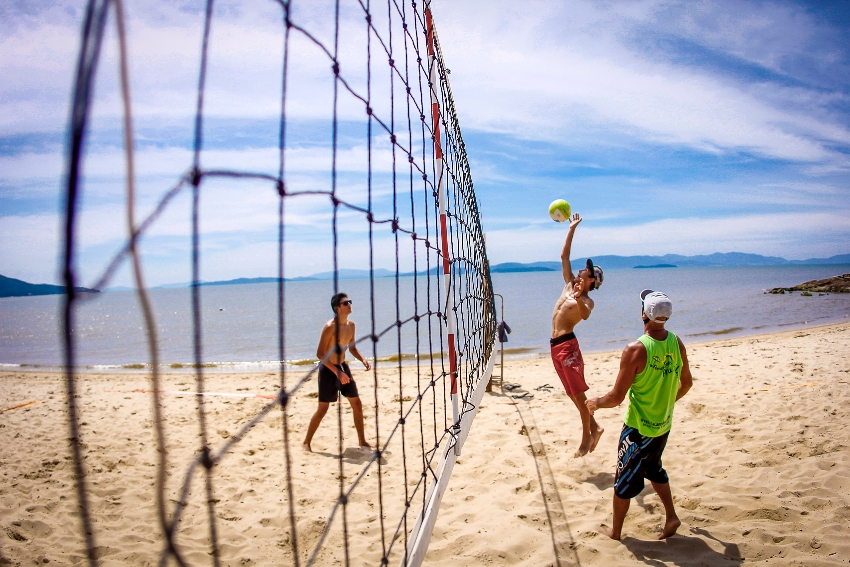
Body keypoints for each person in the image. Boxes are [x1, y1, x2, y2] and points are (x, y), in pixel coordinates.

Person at [585, 290, 693, 540]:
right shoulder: (676, 343)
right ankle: (671, 516)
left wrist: (596, 403)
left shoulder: (636, 349)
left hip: (638, 428)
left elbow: (616, 397)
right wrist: (665, 403)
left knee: (622, 483)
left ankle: (615, 533)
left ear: (644, 314)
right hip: (663, 424)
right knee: (654, 468)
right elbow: (686, 383)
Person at [550, 212, 605, 457]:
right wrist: (571, 228)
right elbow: (564, 256)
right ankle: (596, 428)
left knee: (579, 396)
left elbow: (585, 315)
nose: (583, 269)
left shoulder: (587, 300)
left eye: (587, 270)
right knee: (572, 394)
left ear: (592, 280)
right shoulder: (570, 284)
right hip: (555, 345)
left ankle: (586, 440)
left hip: (567, 346)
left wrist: (580, 296)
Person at [303, 292, 372, 452]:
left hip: (343, 367)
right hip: (328, 369)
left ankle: (362, 441)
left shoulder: (351, 325)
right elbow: (320, 354)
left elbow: (352, 348)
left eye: (350, 302)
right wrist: (337, 373)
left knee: (357, 403)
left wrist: (362, 359)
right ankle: (306, 442)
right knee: (323, 408)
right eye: (345, 303)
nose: (349, 305)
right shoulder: (330, 327)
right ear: (337, 308)